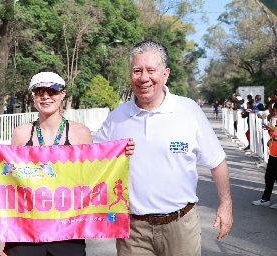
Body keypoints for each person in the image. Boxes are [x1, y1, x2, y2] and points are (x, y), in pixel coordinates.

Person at [93, 40, 233, 256]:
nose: (144, 78)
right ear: (130, 75)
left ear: (165, 74)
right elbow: (90, 160)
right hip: (133, 230)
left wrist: (226, 204)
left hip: (181, 226)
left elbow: (217, 162)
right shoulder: (117, 117)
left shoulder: (188, 110)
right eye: (137, 71)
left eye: (151, 70)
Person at [0, 68, 134, 256]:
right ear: (33, 96)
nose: (46, 96)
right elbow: (11, 180)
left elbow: (92, 177)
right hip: (27, 231)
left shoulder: (80, 133)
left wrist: (120, 154)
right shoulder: (21, 133)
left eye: (52, 91)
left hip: (68, 231)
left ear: (63, 94)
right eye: (39, 91)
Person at [252, 98, 277, 209]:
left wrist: (274, 131)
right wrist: (270, 130)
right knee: (269, 176)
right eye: (275, 111)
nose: (276, 114)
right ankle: (265, 199)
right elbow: (275, 135)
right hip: (273, 152)